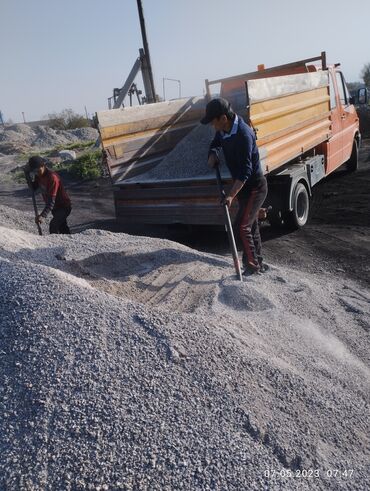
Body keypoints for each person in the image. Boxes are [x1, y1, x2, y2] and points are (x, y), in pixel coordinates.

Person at [201, 98, 268, 275]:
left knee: (242, 226)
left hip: (255, 186)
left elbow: (246, 171)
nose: (211, 126)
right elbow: (215, 143)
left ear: (223, 117)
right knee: (250, 225)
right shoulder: (223, 131)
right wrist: (213, 154)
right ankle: (258, 262)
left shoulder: (244, 134)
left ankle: (252, 267)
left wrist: (230, 195)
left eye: (212, 121)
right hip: (244, 188)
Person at [24, 155, 72, 234]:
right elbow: (33, 188)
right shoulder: (39, 175)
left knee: (53, 225)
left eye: (37, 170)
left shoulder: (52, 177)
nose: (36, 173)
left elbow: (51, 202)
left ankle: (54, 245)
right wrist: (27, 175)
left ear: (43, 166)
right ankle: (68, 243)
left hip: (63, 206)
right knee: (62, 227)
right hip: (55, 208)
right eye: (34, 171)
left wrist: (42, 216)